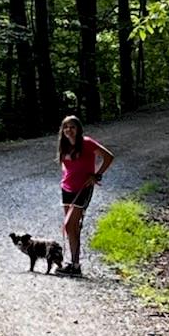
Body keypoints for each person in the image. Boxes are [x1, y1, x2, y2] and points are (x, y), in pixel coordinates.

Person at [58, 115, 114, 276]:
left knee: (69, 225)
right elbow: (64, 164)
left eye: (72, 127)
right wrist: (67, 175)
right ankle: (74, 265)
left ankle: (74, 264)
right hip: (66, 188)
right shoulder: (64, 144)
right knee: (73, 229)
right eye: (66, 127)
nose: (69, 130)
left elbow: (108, 157)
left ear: (78, 128)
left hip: (83, 188)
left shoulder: (87, 143)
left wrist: (96, 175)